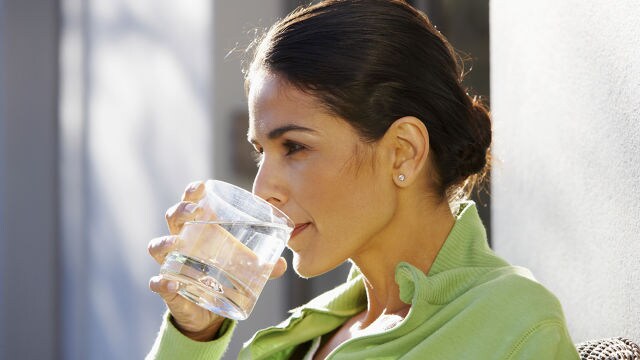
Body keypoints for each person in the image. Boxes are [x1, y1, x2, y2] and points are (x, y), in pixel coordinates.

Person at [146, 0, 579, 358]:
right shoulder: (310, 333)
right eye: (261, 153)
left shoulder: (513, 325)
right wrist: (194, 334)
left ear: (402, 151)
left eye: (294, 147)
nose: (262, 190)